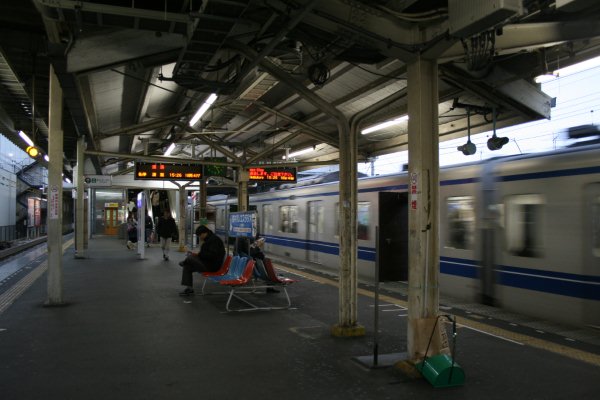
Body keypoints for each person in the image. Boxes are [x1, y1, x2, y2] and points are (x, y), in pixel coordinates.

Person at [178, 225, 225, 296]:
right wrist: (198, 254)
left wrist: (199, 254)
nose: (199, 238)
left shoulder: (214, 240)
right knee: (188, 266)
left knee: (190, 258)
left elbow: (212, 255)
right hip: (206, 263)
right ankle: (189, 289)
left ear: (204, 233)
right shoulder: (209, 239)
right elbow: (206, 254)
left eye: (199, 236)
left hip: (212, 266)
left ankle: (185, 262)